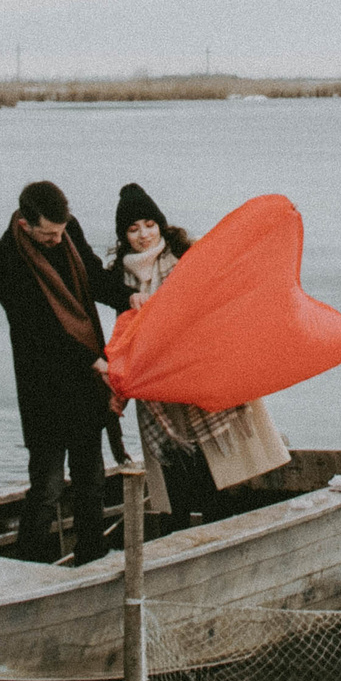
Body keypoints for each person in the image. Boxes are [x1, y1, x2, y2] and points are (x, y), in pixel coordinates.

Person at [103, 182, 289, 531]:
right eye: (133, 229)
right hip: (156, 385)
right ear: (123, 235)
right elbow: (124, 334)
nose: (143, 235)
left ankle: (218, 527)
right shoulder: (119, 279)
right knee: (173, 460)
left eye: (149, 224)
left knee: (215, 461)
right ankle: (179, 533)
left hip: (195, 375)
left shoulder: (185, 257)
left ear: (160, 224)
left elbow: (218, 299)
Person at [0, 180, 130, 564]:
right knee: (47, 486)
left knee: (92, 480)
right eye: (48, 234)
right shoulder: (3, 261)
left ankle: (92, 554)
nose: (56, 240)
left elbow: (94, 277)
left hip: (83, 384)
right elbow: (37, 331)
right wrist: (92, 360)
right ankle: (28, 568)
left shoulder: (68, 232)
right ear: (25, 226)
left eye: (61, 232)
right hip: (43, 386)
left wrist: (127, 296)